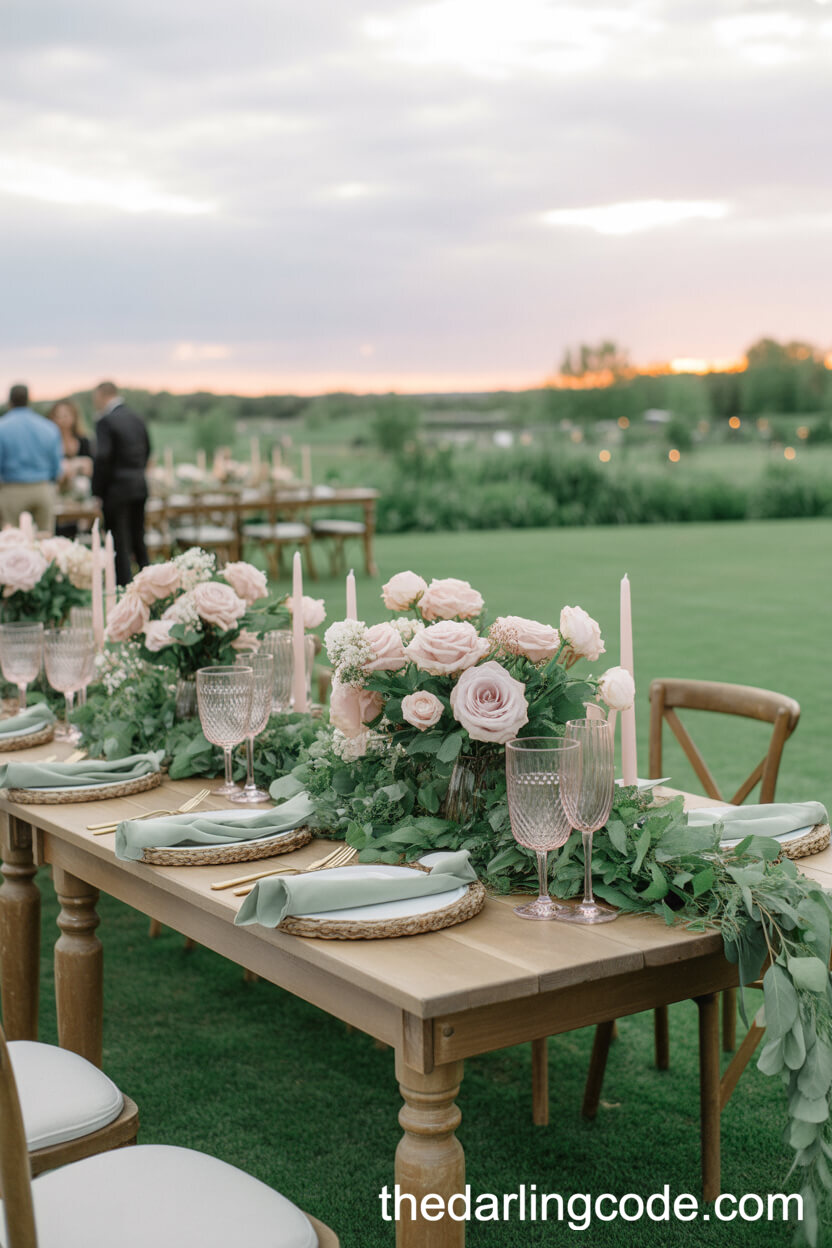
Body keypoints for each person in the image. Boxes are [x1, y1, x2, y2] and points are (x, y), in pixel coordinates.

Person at [91, 381, 150, 585]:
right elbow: (148, 449)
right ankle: (149, 583)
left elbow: (103, 458)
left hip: (115, 490)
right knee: (139, 538)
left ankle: (124, 588)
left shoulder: (105, 421)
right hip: (139, 486)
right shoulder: (137, 417)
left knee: (118, 542)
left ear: (102, 395)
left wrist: (97, 491)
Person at [0, 383, 63, 532]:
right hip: (43, 487)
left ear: (10, 401)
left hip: (12, 488)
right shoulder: (48, 427)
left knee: (11, 538)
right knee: (46, 539)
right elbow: (56, 464)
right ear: (29, 400)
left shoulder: (2, 427)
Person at [48, 399, 94, 538]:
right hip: (58, 496)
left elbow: (90, 468)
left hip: (80, 496)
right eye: (58, 416)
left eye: (66, 415)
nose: (62, 420)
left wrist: (70, 467)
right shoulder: (50, 442)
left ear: (74, 417)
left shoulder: (84, 441)